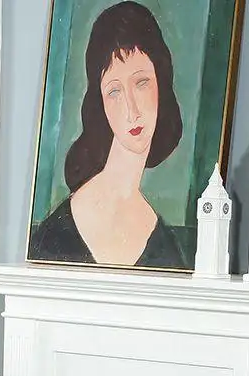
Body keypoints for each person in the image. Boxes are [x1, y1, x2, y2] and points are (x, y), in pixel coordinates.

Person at [29, 1, 186, 269]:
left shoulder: (166, 248)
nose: (131, 110)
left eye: (141, 83)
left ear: (161, 81)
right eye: (114, 91)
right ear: (100, 103)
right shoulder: (56, 232)